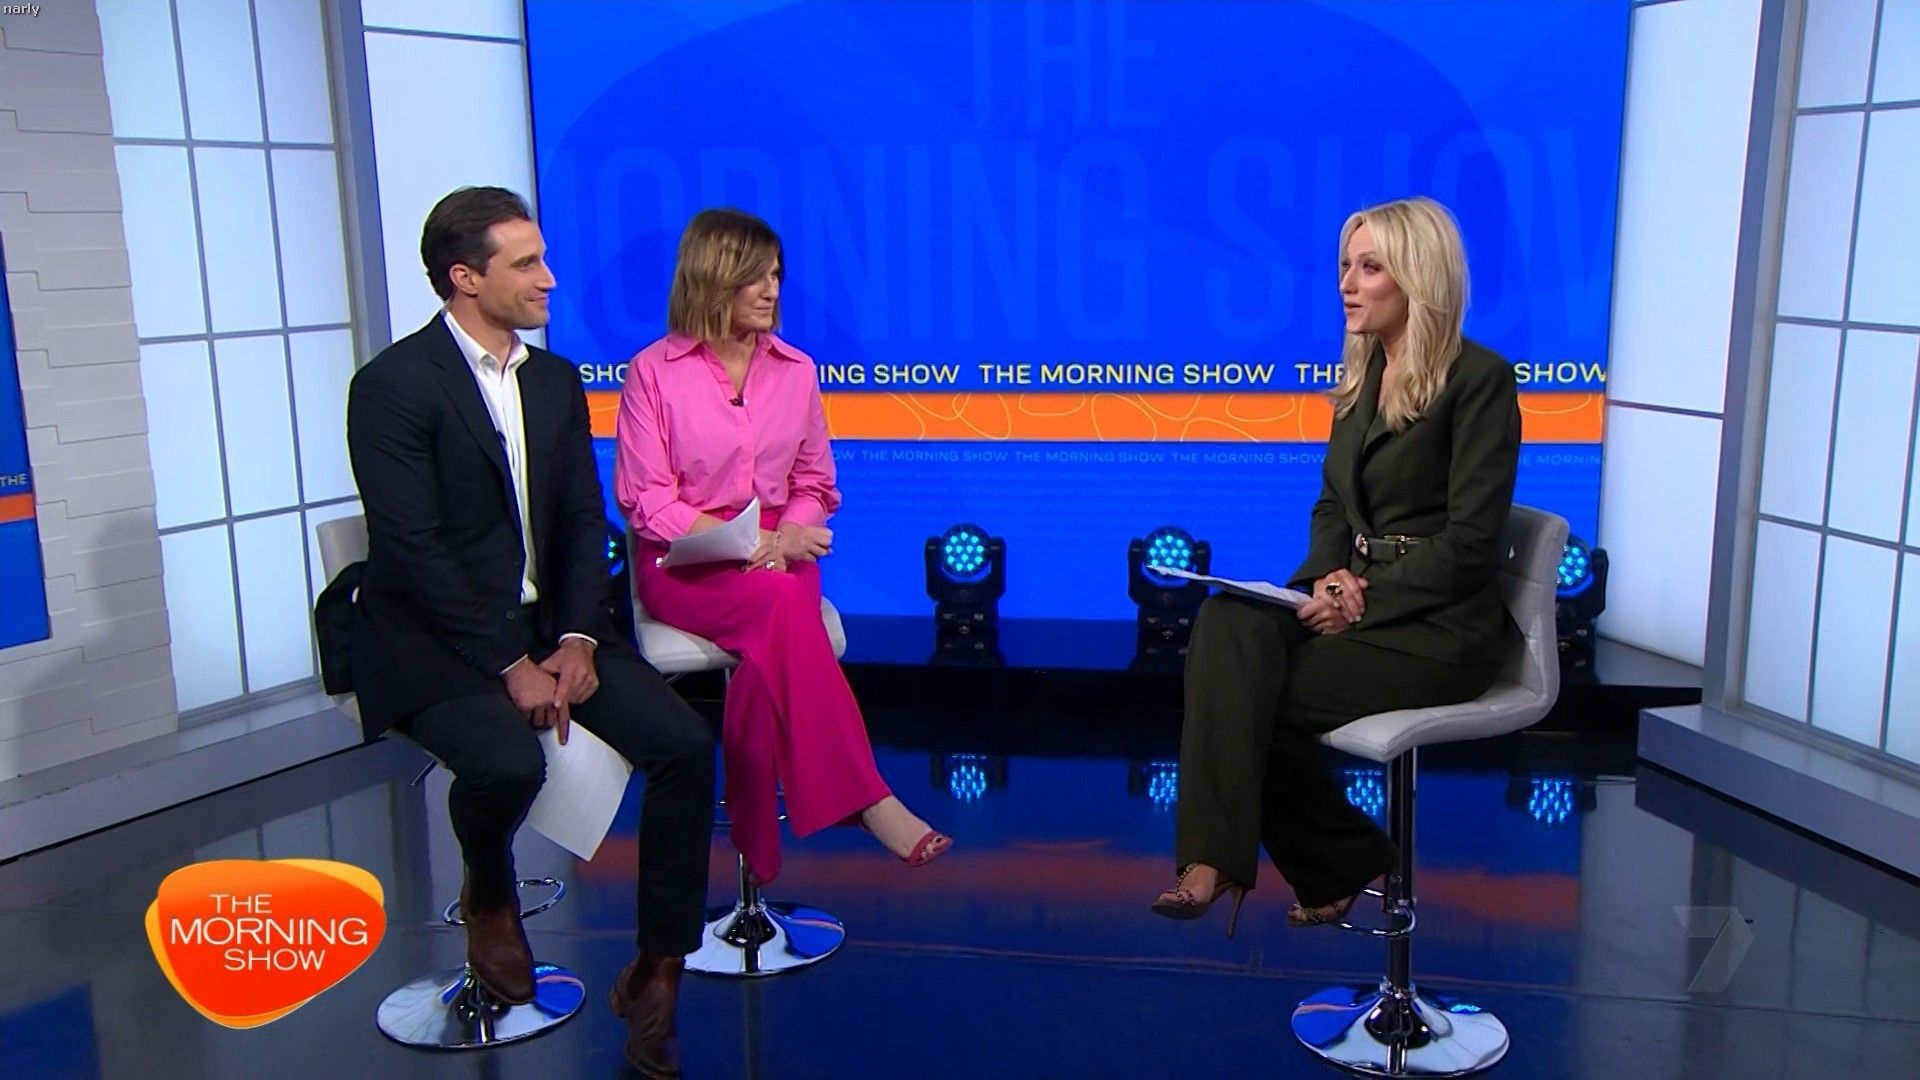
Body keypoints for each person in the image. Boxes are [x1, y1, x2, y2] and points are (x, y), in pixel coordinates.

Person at [343, 187, 710, 1076]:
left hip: (554, 628)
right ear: (465, 278)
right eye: (526, 263)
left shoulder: (553, 381)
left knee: (685, 748)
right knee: (509, 762)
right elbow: (414, 551)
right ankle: (489, 892)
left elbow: (583, 521)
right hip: (433, 637)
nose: (549, 278)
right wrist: (509, 662)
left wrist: (578, 638)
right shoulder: (392, 387)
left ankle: (659, 971)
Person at [1150, 196, 1520, 934]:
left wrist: (1363, 597)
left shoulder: (1480, 380)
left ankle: (1327, 860)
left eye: (1370, 267)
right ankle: (1228, 858)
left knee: (1249, 699)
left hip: (1439, 628)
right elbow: (1333, 505)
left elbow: (1471, 543)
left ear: (1418, 276)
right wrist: (1324, 580)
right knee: (1227, 622)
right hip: (1356, 595)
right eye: (1345, 266)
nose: (1347, 284)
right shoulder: (1364, 372)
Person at [614, 208, 951, 885]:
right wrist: (749, 541)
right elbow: (645, 500)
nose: (772, 290)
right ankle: (865, 797)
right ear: (713, 278)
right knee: (780, 605)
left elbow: (816, 482)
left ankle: (754, 823)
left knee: (771, 631)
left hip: (779, 553)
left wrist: (791, 531)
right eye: (755, 277)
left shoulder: (795, 370)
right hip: (686, 560)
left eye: (776, 275)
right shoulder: (654, 372)